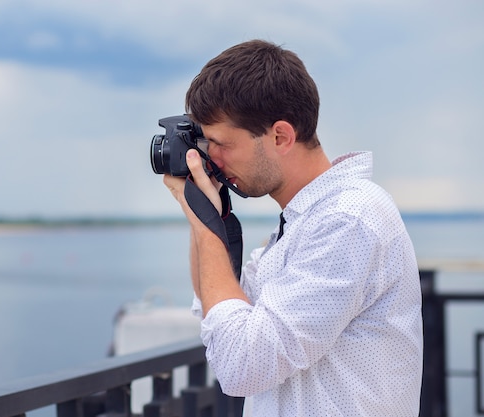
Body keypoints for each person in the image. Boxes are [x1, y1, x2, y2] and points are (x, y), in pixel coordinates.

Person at [163, 39, 423, 416]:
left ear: (281, 136)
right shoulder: (308, 220)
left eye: (220, 143)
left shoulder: (347, 220)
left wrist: (205, 227)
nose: (211, 158)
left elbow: (240, 367)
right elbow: (221, 308)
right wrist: (201, 210)